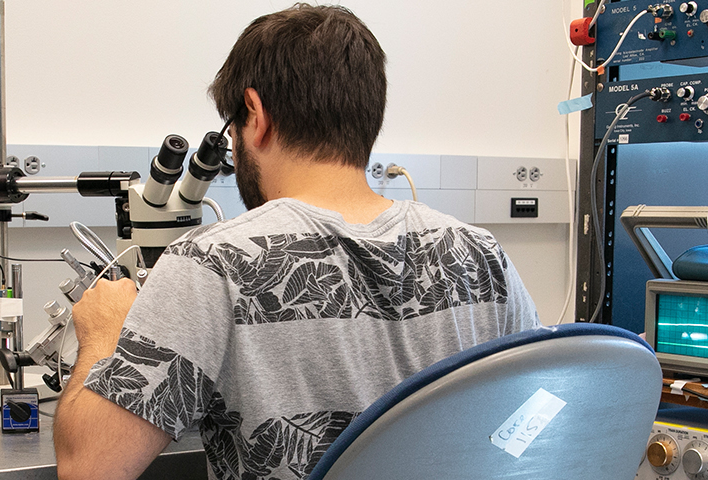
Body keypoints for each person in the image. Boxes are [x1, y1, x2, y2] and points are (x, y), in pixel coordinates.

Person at [53, 4, 541, 480]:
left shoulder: (213, 263)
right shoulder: (480, 254)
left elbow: (90, 467)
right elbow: (537, 432)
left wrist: (103, 335)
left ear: (255, 114)